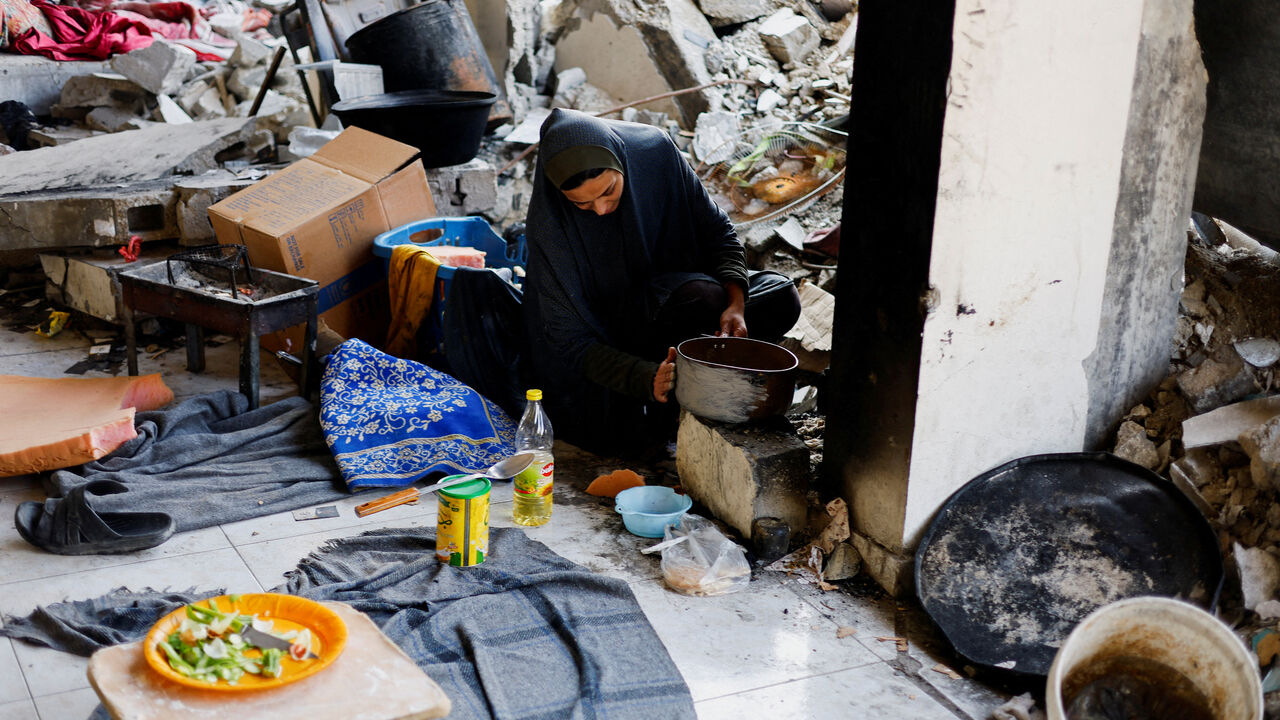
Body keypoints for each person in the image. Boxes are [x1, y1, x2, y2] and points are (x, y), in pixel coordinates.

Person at [522, 108, 801, 457]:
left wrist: (736, 305)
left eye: (609, 191)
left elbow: (718, 233)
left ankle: (715, 386)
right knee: (700, 298)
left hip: (679, 297)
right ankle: (674, 399)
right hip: (613, 330)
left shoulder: (654, 152)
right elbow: (569, 340)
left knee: (780, 296)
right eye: (582, 204)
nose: (602, 209)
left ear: (622, 162)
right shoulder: (550, 229)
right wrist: (644, 377)